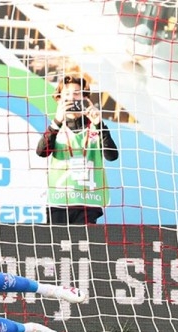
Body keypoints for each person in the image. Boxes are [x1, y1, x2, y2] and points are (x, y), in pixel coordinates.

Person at [36, 74, 119, 224]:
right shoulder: (55, 127)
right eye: (66, 94)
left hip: (88, 201)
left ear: (85, 98)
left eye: (76, 93)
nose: (71, 98)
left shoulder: (95, 125)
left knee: (84, 246)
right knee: (56, 245)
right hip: (59, 201)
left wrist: (100, 125)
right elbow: (41, 152)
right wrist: (57, 121)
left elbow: (112, 156)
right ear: (59, 99)